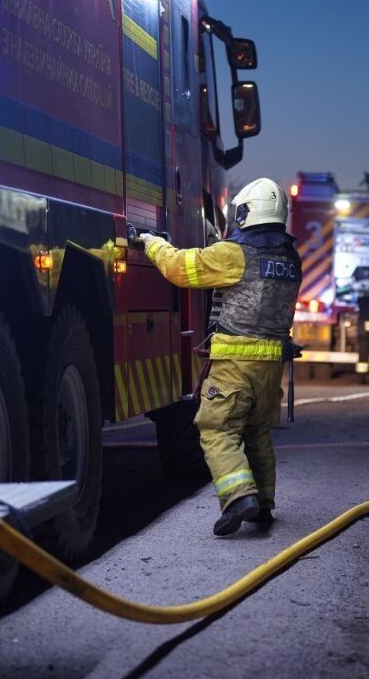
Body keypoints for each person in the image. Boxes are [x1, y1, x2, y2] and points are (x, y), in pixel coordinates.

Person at [131, 178, 302, 536]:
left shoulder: (234, 254)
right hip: (271, 367)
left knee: (216, 427)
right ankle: (264, 504)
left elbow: (180, 268)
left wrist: (151, 243)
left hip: (235, 364)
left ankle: (238, 497)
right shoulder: (290, 258)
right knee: (256, 432)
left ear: (247, 212)